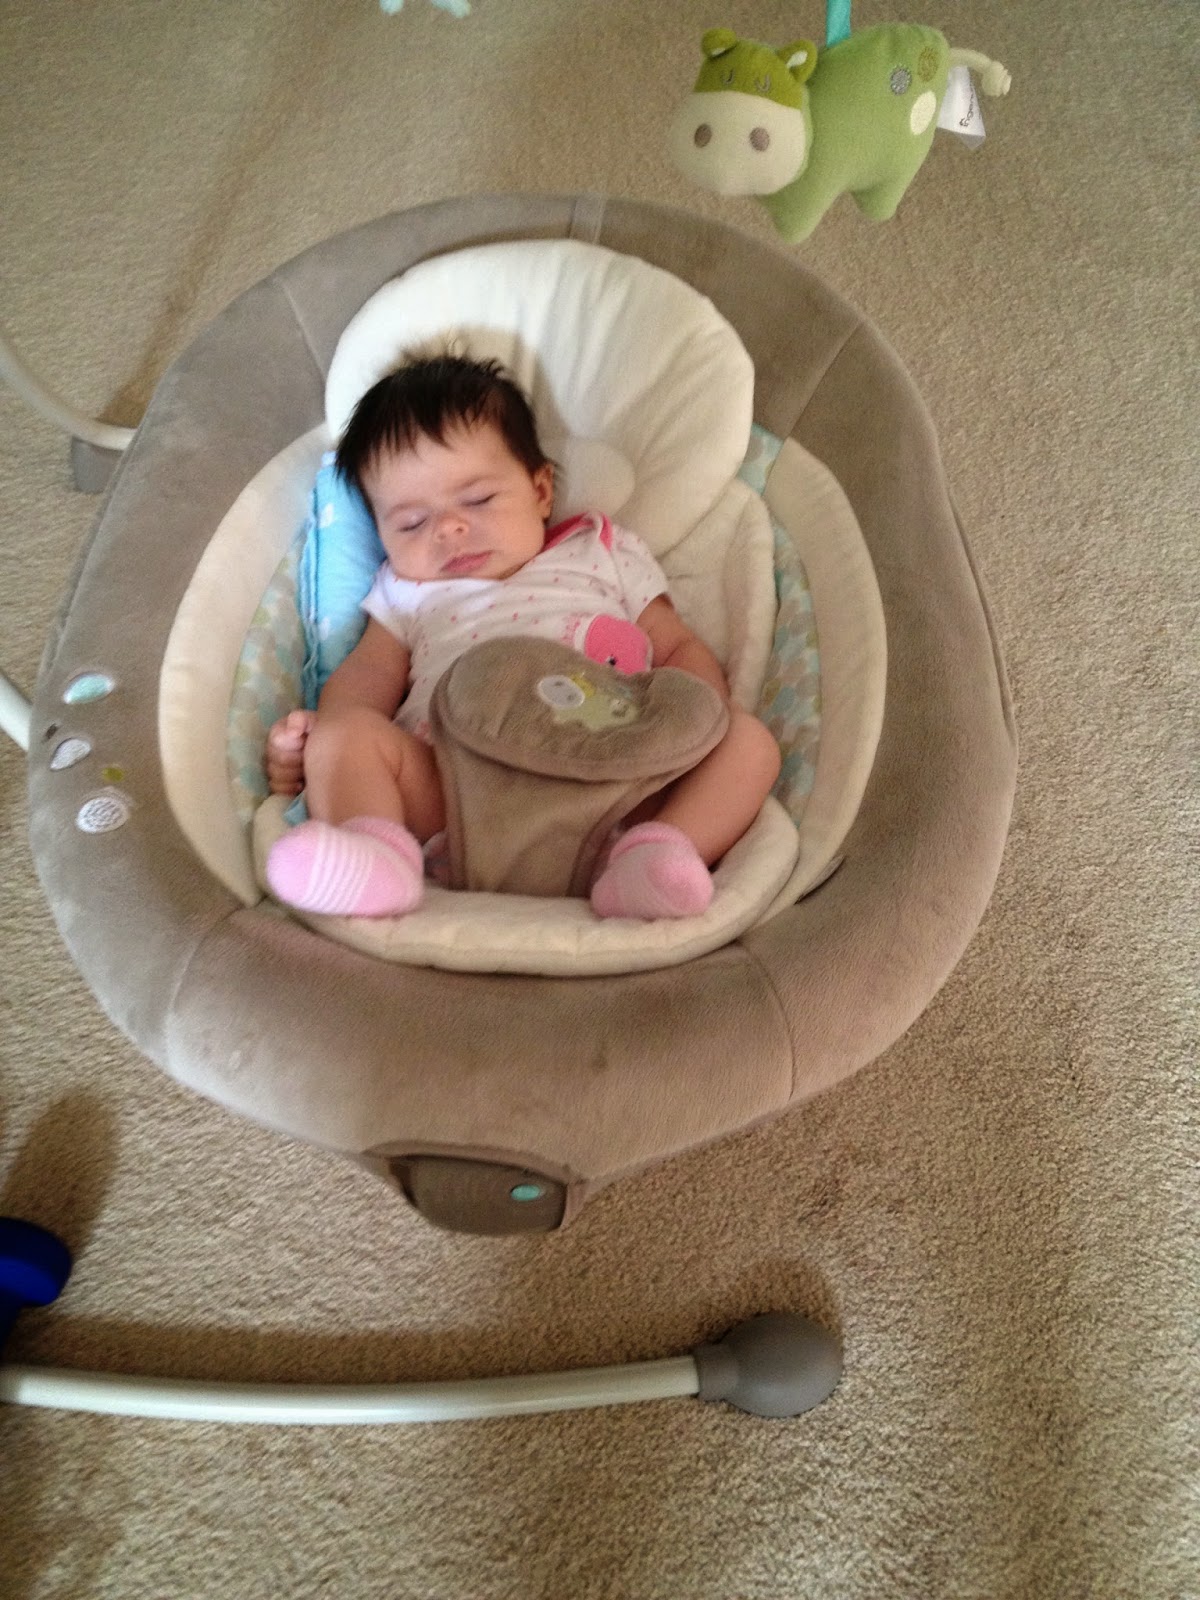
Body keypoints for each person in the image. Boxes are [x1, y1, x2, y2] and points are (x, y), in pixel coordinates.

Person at [264, 354, 780, 920]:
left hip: (617, 776)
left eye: (478, 499)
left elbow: (676, 646)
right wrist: (320, 739)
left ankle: (653, 856)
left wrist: (699, 721)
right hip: (460, 793)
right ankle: (377, 860)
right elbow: (367, 676)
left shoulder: (600, 552)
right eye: (411, 523)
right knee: (347, 737)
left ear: (540, 491)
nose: (449, 529)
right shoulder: (406, 591)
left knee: (747, 743)